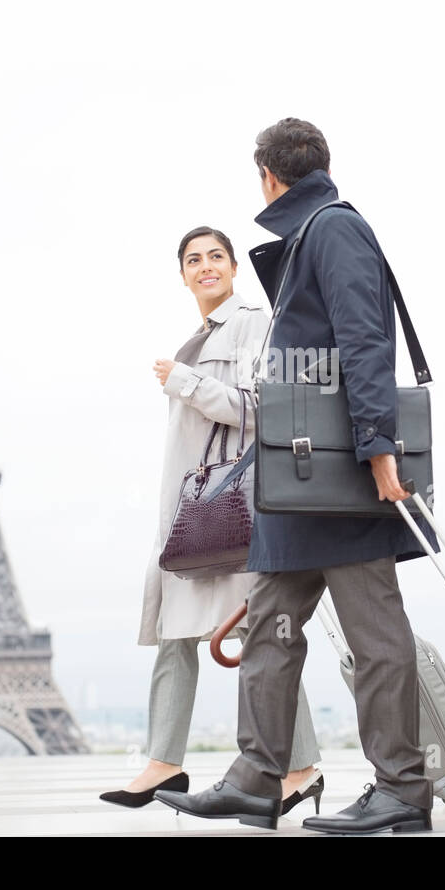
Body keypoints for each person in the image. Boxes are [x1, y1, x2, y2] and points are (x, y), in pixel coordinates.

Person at [156, 119, 436, 834]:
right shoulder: (315, 231)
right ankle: (257, 779)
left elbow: (364, 339)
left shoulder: (334, 229)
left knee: (375, 633)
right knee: (270, 631)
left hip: (341, 475)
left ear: (269, 177)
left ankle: (402, 789)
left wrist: (378, 447)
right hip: (302, 479)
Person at [99, 225, 323, 814]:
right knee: (176, 632)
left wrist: (185, 382)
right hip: (195, 508)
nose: (205, 266)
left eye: (216, 256)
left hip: (230, 505)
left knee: (257, 636)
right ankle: (164, 762)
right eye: (194, 259)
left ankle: (301, 767)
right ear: (182, 275)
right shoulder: (202, 335)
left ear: (233, 267)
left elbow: (260, 406)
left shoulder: (252, 322)